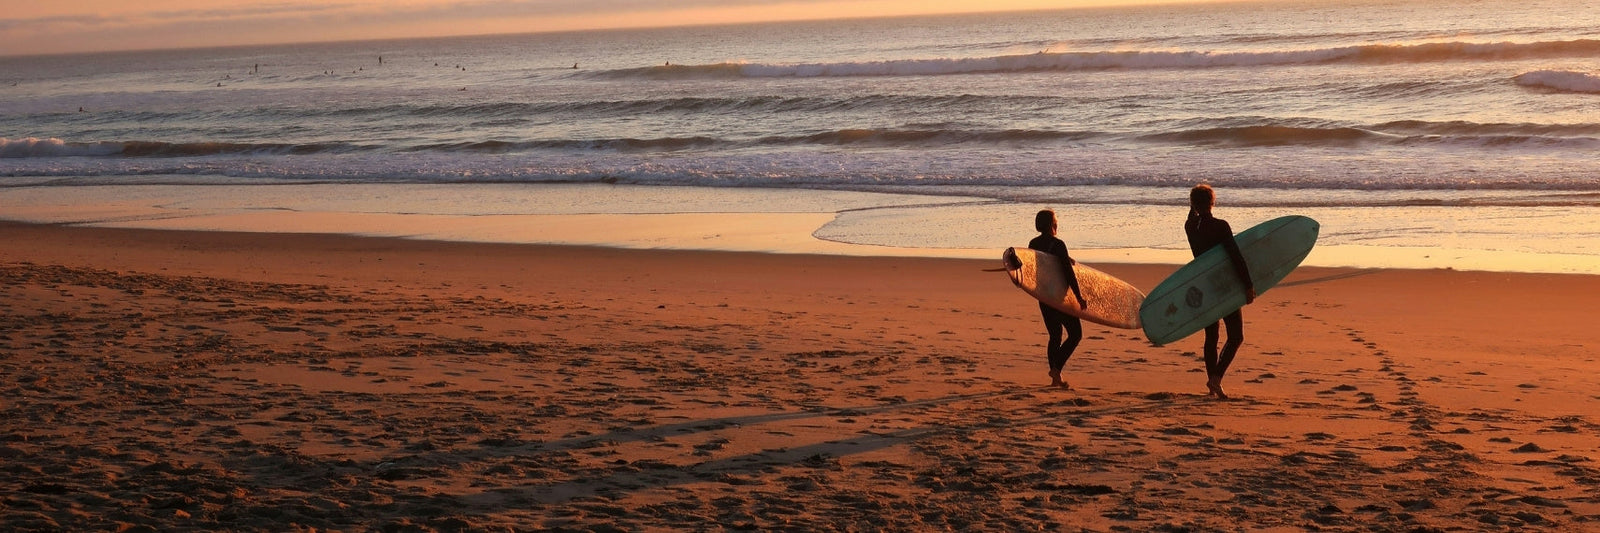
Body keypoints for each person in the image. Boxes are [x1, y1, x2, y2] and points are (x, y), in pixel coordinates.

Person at [1185, 184, 1255, 399]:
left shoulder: (1189, 226)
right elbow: (1235, 256)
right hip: (1224, 286)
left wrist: (1192, 206)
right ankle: (1216, 378)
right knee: (1236, 336)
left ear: (1194, 204)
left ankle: (1212, 384)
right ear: (1213, 202)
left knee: (1211, 336)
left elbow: (1192, 217)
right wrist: (1248, 284)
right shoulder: (1221, 226)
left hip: (1204, 287)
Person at [1029, 209, 1087, 389]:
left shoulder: (1033, 243)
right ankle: (1056, 369)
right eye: (1056, 220)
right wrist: (1079, 297)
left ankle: (1056, 378)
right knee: (1076, 334)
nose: (1057, 223)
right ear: (1051, 224)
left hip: (1043, 297)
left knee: (1055, 336)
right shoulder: (1058, 244)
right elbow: (1068, 274)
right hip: (1059, 298)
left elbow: (1034, 269)